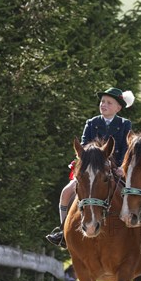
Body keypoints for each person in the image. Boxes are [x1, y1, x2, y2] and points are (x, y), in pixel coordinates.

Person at [45, 87, 134, 247]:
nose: (104, 105)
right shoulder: (92, 123)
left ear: (118, 107)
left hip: (115, 170)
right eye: (102, 101)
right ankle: (63, 231)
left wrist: (122, 167)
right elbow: (84, 146)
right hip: (92, 170)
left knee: (137, 192)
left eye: (108, 102)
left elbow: (126, 149)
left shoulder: (125, 124)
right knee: (66, 193)